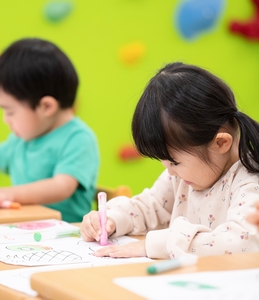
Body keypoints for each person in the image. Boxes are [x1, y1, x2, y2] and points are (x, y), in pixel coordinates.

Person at [81, 62, 259, 258]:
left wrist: (158, 245)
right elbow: (151, 206)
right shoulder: (183, 176)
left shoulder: (249, 182)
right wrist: (112, 220)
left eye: (174, 162)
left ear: (221, 143)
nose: (170, 171)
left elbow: (241, 243)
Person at [0, 38, 100, 223]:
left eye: (10, 111)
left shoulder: (78, 139)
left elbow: (61, 186)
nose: (5, 119)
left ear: (46, 106)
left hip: (67, 234)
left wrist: (8, 193)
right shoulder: (24, 139)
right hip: (25, 229)